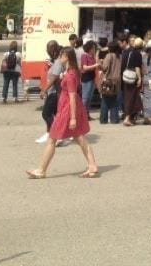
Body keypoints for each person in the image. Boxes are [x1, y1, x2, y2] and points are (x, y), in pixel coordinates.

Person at [26, 47, 99, 179]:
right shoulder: (70, 72)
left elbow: (72, 96)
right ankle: (92, 165)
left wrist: (72, 118)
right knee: (79, 138)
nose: (60, 57)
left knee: (53, 138)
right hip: (66, 108)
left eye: (61, 55)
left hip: (67, 109)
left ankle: (41, 170)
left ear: (67, 57)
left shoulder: (70, 75)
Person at [37, 41, 62, 144]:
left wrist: (44, 90)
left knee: (46, 113)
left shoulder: (58, 62)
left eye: (48, 49)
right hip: (53, 92)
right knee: (55, 114)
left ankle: (55, 135)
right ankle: (51, 134)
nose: (47, 51)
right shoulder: (55, 61)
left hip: (54, 92)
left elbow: (54, 78)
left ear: (53, 50)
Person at [121, 37, 144, 126]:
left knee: (128, 97)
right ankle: (127, 118)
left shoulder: (127, 52)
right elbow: (137, 67)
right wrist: (139, 78)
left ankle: (130, 117)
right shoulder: (137, 54)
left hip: (126, 76)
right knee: (132, 97)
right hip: (132, 77)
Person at [97, 40, 121, 124]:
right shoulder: (119, 56)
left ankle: (103, 119)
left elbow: (104, 68)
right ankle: (114, 119)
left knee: (105, 100)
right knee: (114, 100)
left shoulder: (109, 56)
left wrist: (100, 63)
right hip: (117, 81)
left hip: (108, 80)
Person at [79, 41, 98, 115]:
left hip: (92, 76)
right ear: (89, 48)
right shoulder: (84, 56)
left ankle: (87, 113)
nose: (94, 49)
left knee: (90, 97)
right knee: (85, 97)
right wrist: (95, 65)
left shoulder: (92, 56)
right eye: (93, 48)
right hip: (86, 77)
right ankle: (82, 114)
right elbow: (85, 67)